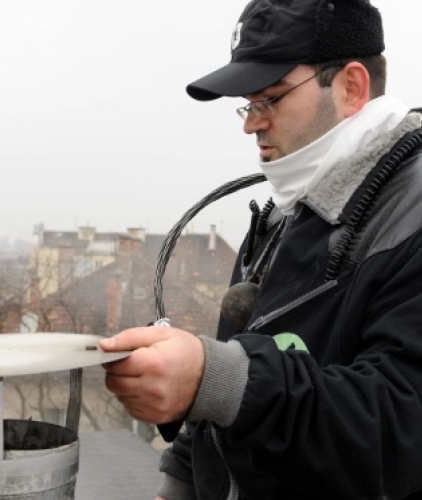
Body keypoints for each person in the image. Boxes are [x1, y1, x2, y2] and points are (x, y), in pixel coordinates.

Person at [100, 0, 422, 498]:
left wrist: (215, 378)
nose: (251, 124)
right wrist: (180, 479)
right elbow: (236, 368)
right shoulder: (288, 207)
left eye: (269, 98)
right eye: (247, 104)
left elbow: (400, 429)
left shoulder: (410, 211)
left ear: (351, 87)